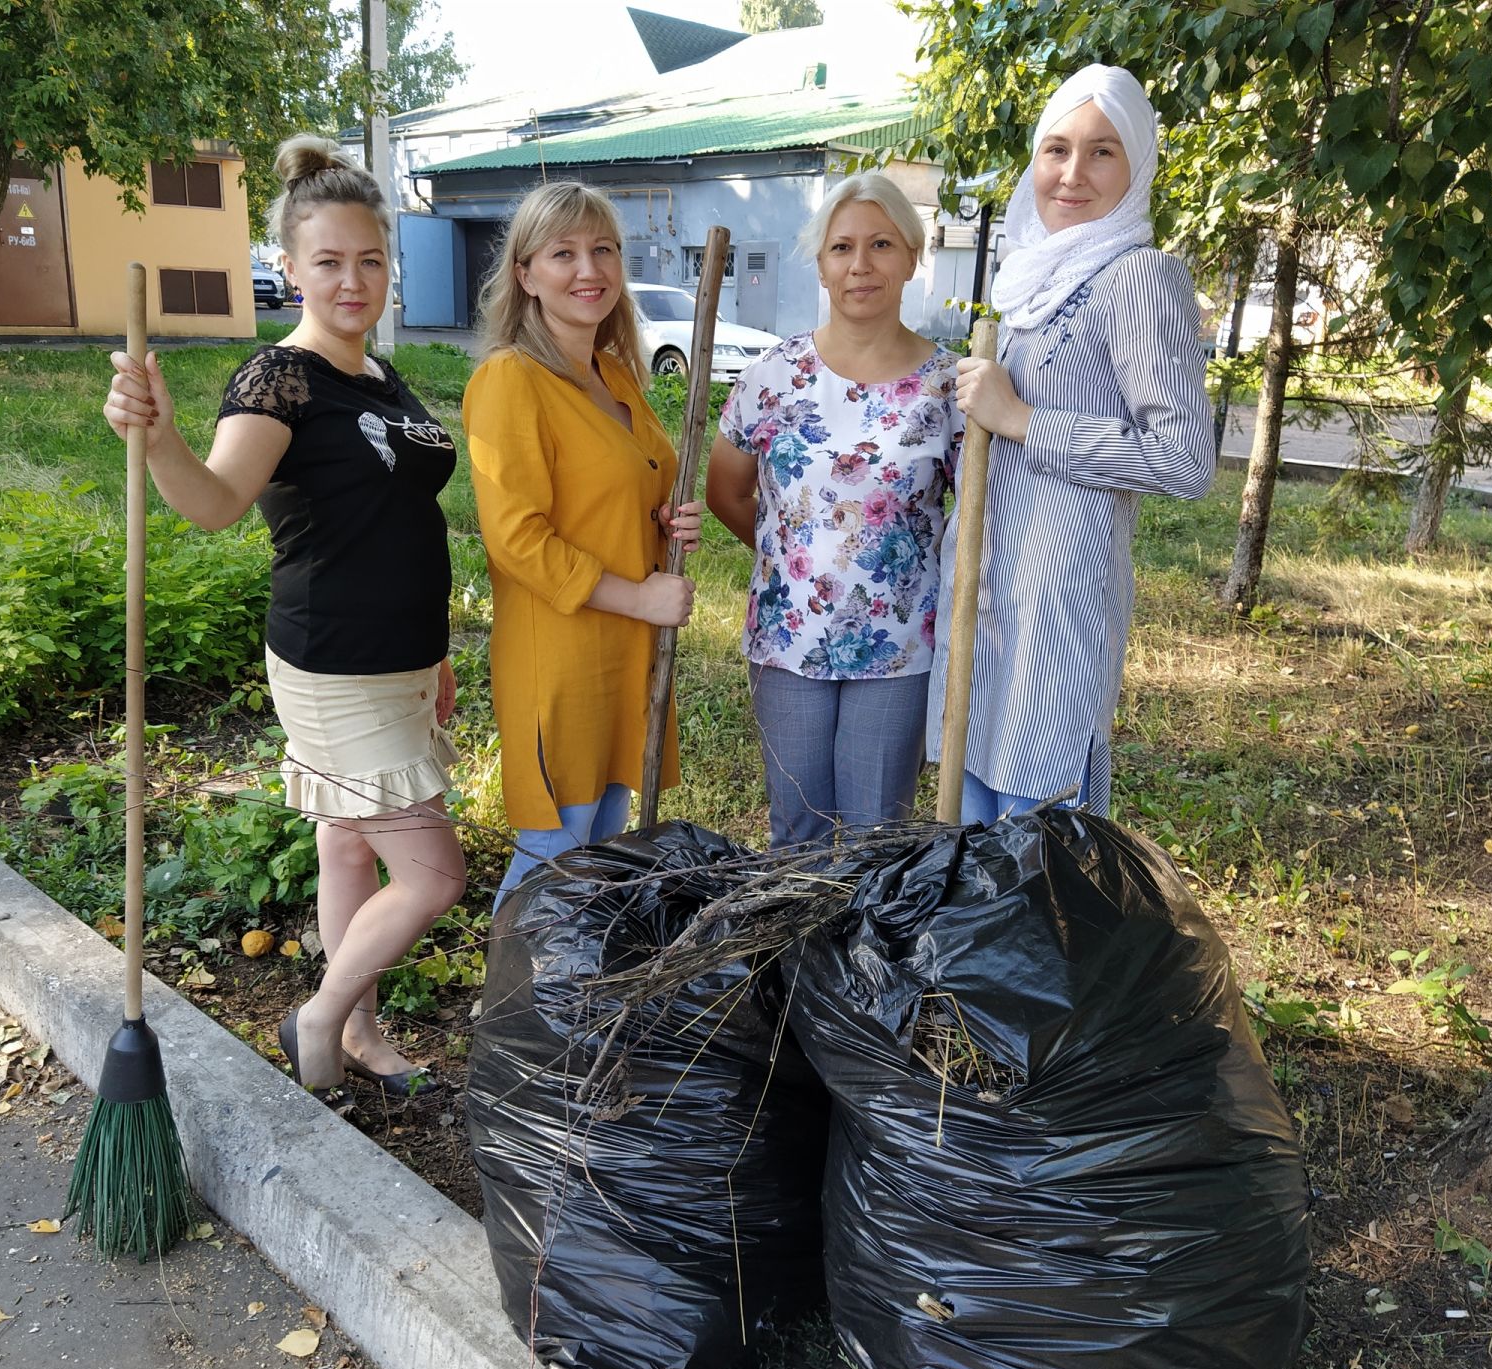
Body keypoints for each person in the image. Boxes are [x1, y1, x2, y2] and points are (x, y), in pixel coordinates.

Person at [102, 135, 464, 1095]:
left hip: (399, 659)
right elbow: (215, 501)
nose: (355, 280)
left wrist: (434, 655)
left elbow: (397, 513)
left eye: (372, 259)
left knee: (348, 842)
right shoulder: (280, 379)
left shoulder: (380, 377)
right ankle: (319, 1016)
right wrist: (158, 436)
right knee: (433, 876)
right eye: (331, 262)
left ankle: (358, 1038)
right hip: (334, 659)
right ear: (291, 267)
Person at [931, 63, 1215, 823]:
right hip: (989, 597)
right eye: (1056, 149)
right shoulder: (1031, 280)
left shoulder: (1139, 276)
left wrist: (1022, 419)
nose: (1072, 173)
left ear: (1139, 164)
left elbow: (1185, 461)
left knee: (1039, 858)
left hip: (1055, 616)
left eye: (1102, 151)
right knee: (970, 854)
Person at [463, 181, 703, 911]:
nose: (588, 268)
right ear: (526, 275)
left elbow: (622, 488)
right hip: (562, 656)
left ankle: (566, 1004)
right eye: (563, 252)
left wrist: (666, 518)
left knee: (600, 844)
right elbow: (516, 539)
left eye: (603, 249)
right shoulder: (511, 380)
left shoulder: (613, 373)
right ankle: (510, 1012)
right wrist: (639, 595)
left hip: (621, 650)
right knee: (554, 856)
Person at [706, 173, 962, 848]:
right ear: (821, 264)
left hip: (900, 645)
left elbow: (979, 515)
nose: (861, 265)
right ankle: (795, 955)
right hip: (788, 640)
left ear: (912, 255)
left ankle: (868, 956)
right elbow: (726, 492)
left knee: (877, 834)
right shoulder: (774, 375)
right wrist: (789, 555)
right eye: (842, 247)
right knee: (797, 832)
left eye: (881, 244)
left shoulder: (950, 386)